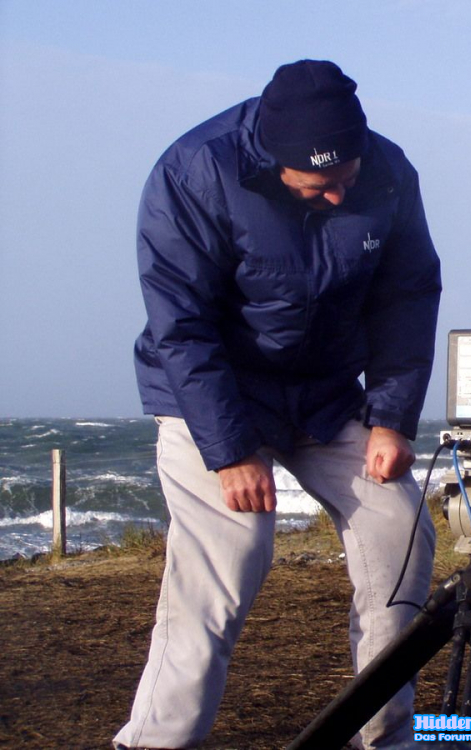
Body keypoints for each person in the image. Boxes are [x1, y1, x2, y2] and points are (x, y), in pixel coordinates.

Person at [115, 60, 441, 749]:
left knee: (398, 530)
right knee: (231, 558)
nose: (335, 197)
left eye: (346, 181)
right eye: (319, 186)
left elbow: (407, 296)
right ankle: (154, 743)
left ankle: (385, 736)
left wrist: (390, 417)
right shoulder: (194, 171)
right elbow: (182, 324)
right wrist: (231, 451)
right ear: (276, 158)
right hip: (211, 395)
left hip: (326, 396)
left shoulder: (388, 170)